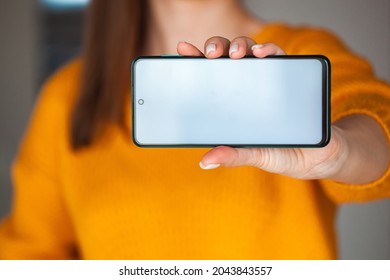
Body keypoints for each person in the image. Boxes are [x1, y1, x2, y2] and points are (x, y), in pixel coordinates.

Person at [0, 0, 389, 259]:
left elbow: (375, 120)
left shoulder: (304, 50)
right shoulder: (68, 95)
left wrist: (338, 151)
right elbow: (28, 254)